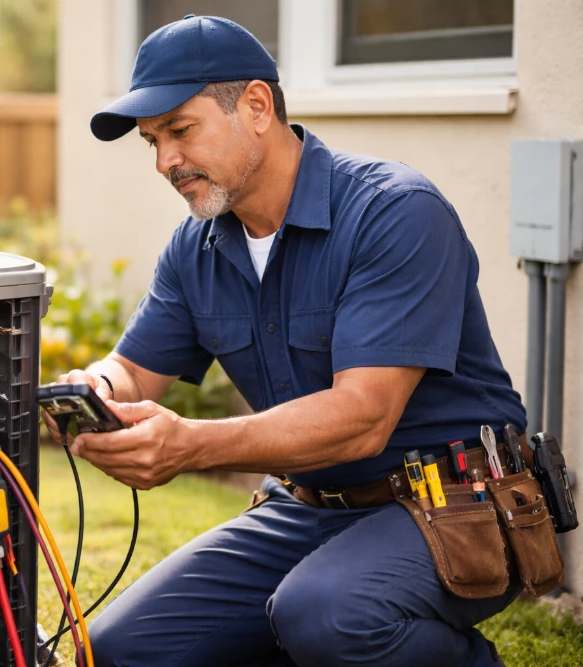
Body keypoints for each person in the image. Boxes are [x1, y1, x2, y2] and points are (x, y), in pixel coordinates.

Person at [47, 14, 529, 667]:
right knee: (118, 651)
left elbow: (362, 418)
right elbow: (132, 369)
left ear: (255, 105)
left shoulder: (396, 212)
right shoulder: (198, 247)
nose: (165, 162)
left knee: (327, 615)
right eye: (151, 141)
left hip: (451, 501)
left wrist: (194, 443)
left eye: (181, 131)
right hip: (308, 508)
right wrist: (95, 389)